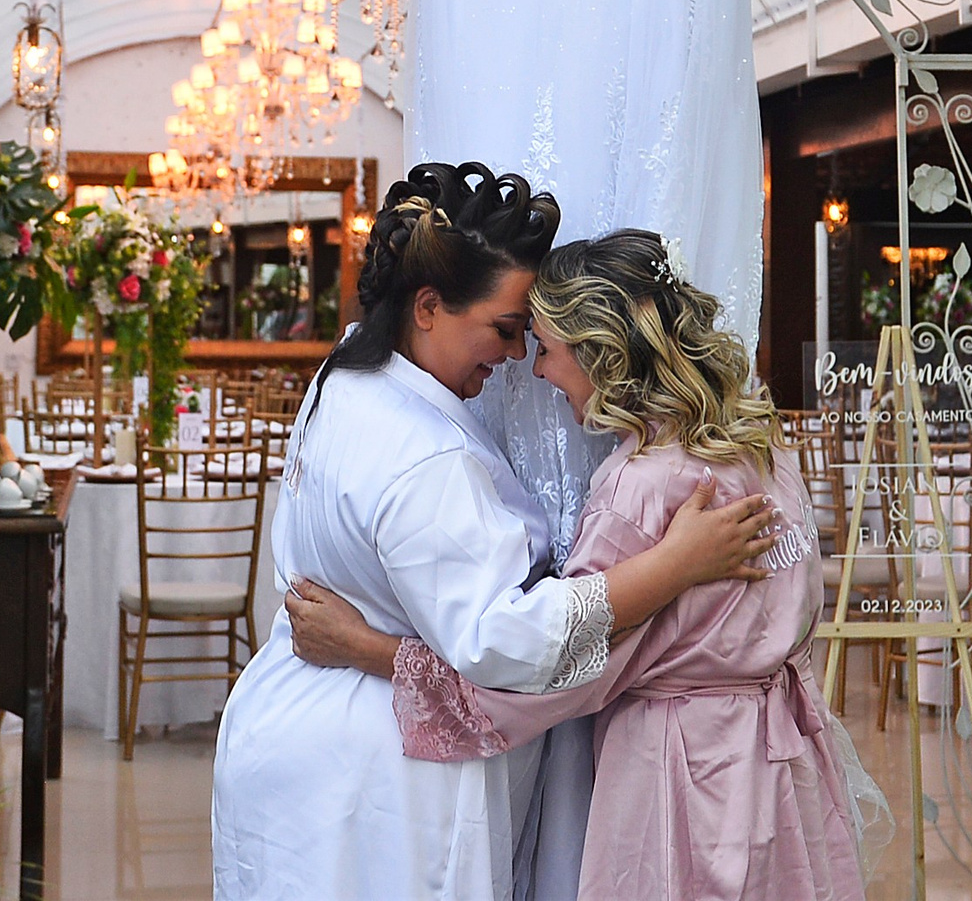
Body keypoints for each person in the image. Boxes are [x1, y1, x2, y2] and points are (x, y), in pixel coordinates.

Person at [212, 168, 780, 901]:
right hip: (381, 774)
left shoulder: (342, 380)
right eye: (506, 329)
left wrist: (362, 645)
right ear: (428, 306)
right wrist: (673, 565)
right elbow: (501, 643)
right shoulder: (425, 456)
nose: (517, 358)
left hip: (286, 733)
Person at [287, 229, 874, 901]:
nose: (534, 369)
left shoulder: (640, 487)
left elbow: (548, 675)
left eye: (545, 347)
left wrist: (369, 648)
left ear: (602, 353)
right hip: (787, 767)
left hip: (684, 777)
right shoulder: (762, 448)